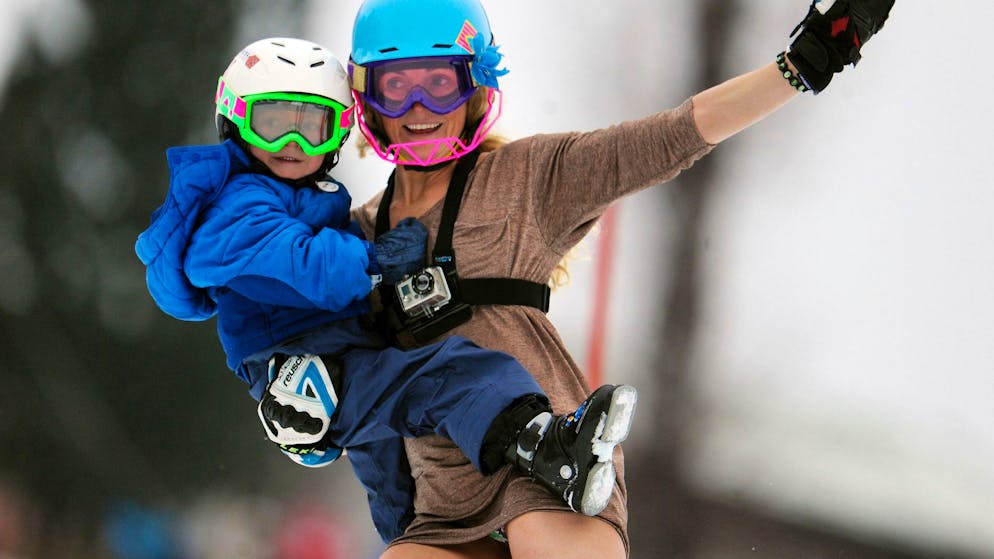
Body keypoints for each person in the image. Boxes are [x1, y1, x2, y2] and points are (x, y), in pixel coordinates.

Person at [344, 0, 896, 557]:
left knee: (541, 541)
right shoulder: (347, 242)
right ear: (368, 97)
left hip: (551, 466)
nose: (419, 107)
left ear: (477, 87)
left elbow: (671, 135)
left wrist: (798, 67)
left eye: (440, 83)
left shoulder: (527, 179)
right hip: (446, 500)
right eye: (398, 86)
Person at [133, 37, 638, 543]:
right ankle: (543, 444)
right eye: (272, 123)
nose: (293, 144)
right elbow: (310, 267)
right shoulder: (235, 206)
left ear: (335, 134)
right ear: (235, 122)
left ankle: (418, 534)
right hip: (306, 358)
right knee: (447, 371)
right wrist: (379, 260)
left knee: (396, 478)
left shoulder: (291, 196)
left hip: (331, 355)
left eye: (311, 127)